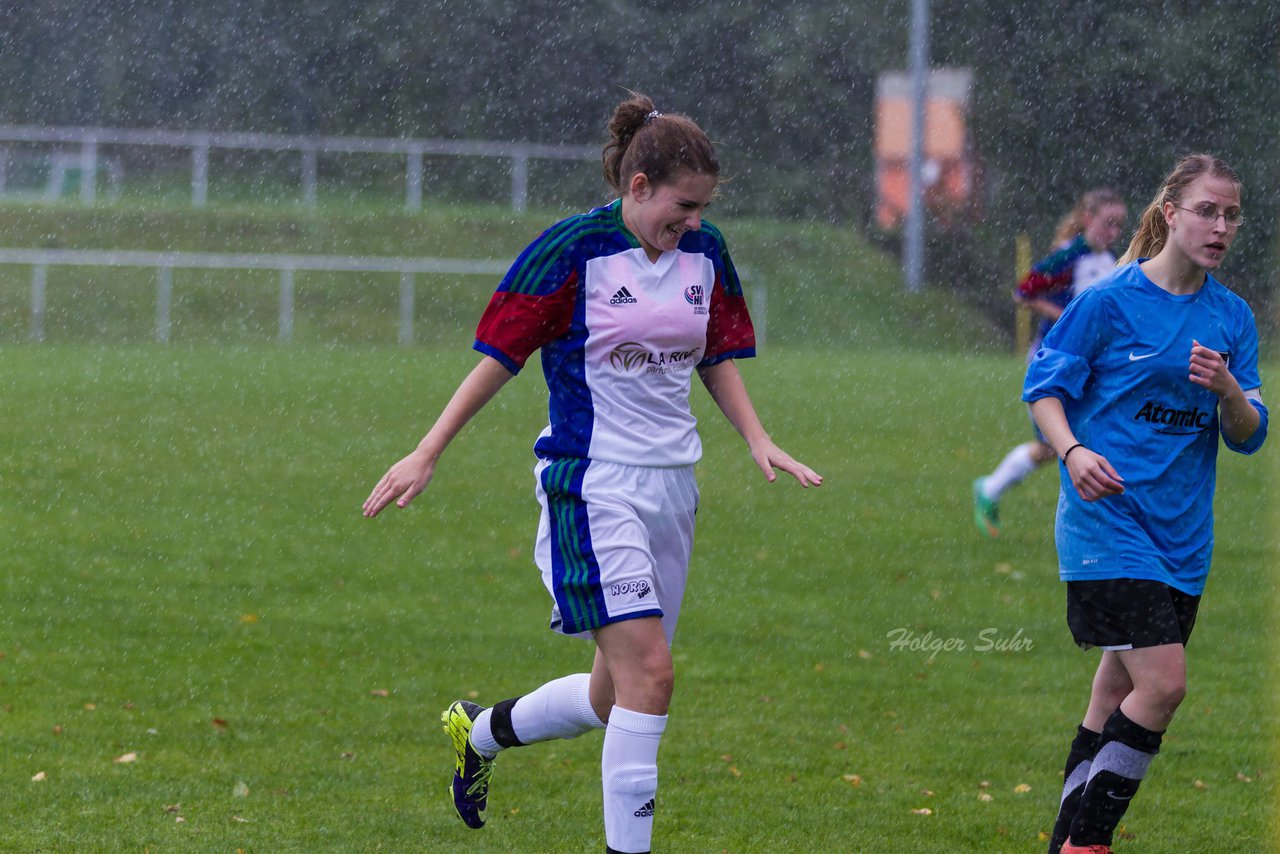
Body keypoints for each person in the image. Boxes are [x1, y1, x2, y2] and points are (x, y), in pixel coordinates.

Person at [362, 92, 822, 854]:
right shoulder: (572, 250)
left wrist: (757, 437)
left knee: (617, 698)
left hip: (673, 488)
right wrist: (429, 448)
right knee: (652, 678)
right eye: (681, 207)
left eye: (703, 209)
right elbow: (498, 360)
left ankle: (479, 733)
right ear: (636, 187)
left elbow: (714, 354)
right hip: (591, 484)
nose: (694, 224)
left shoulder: (706, 254)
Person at [1022, 154, 1267, 854]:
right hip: (1106, 528)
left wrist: (1226, 390)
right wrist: (1072, 451)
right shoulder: (1107, 302)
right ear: (1170, 214)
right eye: (1207, 211)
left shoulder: (1232, 318)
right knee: (1162, 686)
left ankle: (1063, 845)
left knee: (1110, 698)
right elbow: (1044, 393)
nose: (1221, 227)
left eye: (1231, 216)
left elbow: (1248, 436)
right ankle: (1088, 844)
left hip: (1183, 542)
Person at [972, 188, 1127, 537]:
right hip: (1054, 365)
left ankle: (1104, 528)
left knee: (1089, 440)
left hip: (1093, 365)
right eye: (1108, 223)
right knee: (1060, 446)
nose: (1113, 232)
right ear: (1087, 218)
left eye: (1119, 225)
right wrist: (1064, 315)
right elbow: (1023, 291)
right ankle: (991, 490)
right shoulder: (1068, 257)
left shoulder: (1112, 259)